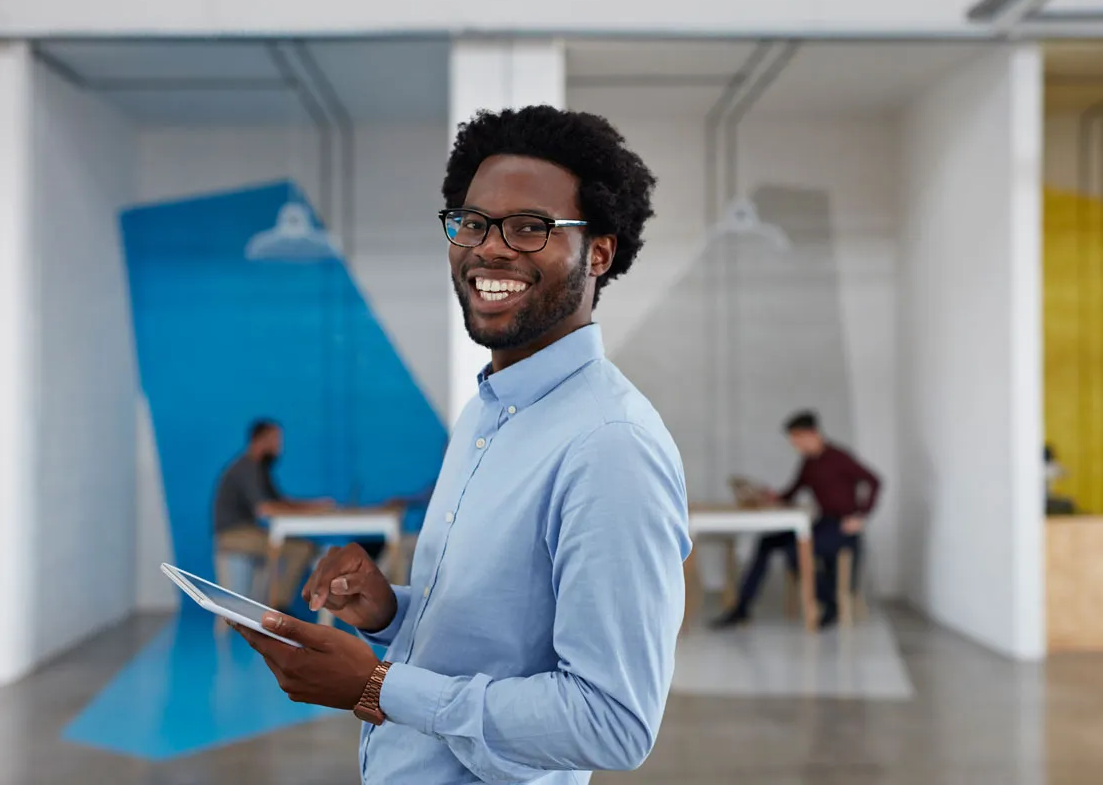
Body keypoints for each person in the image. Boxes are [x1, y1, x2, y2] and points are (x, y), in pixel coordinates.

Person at [231, 106, 690, 785]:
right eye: (472, 223)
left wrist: (381, 687)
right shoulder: (485, 412)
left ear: (598, 251)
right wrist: (390, 611)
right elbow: (494, 639)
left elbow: (613, 722)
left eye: (530, 227)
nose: (489, 249)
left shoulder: (611, 447)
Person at [713, 410, 881, 629]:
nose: (794, 444)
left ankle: (832, 604)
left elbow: (874, 481)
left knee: (796, 553)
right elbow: (791, 492)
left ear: (813, 433)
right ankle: (741, 609)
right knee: (767, 543)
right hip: (822, 524)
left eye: (797, 438)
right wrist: (771, 497)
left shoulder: (838, 457)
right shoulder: (809, 463)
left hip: (842, 528)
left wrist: (860, 515)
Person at [212, 419, 334, 608]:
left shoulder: (259, 469)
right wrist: (311, 510)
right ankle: (278, 607)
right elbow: (266, 508)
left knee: (301, 547)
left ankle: (276, 604)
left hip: (245, 531)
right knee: (301, 549)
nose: (279, 447)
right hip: (234, 535)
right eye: (275, 440)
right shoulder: (248, 468)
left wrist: (313, 506)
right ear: (260, 440)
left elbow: (281, 502)